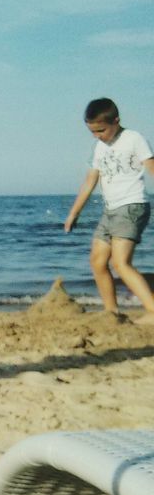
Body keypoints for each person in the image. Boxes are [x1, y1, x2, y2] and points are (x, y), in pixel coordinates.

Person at [64, 98, 154, 325]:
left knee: (120, 262)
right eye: (92, 132)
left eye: (101, 130)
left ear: (116, 121)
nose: (98, 136)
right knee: (97, 261)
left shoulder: (134, 139)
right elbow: (90, 181)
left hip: (132, 206)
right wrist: (74, 213)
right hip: (111, 210)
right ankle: (112, 312)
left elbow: (152, 169)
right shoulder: (99, 147)